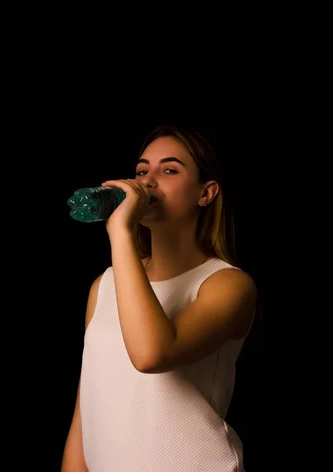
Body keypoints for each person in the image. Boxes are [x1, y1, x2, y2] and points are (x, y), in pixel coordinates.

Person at [60, 123, 258, 471]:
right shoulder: (103, 286)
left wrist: (120, 231)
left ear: (206, 193)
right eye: (141, 170)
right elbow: (87, 411)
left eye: (168, 170)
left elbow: (151, 354)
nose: (147, 182)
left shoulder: (227, 285)